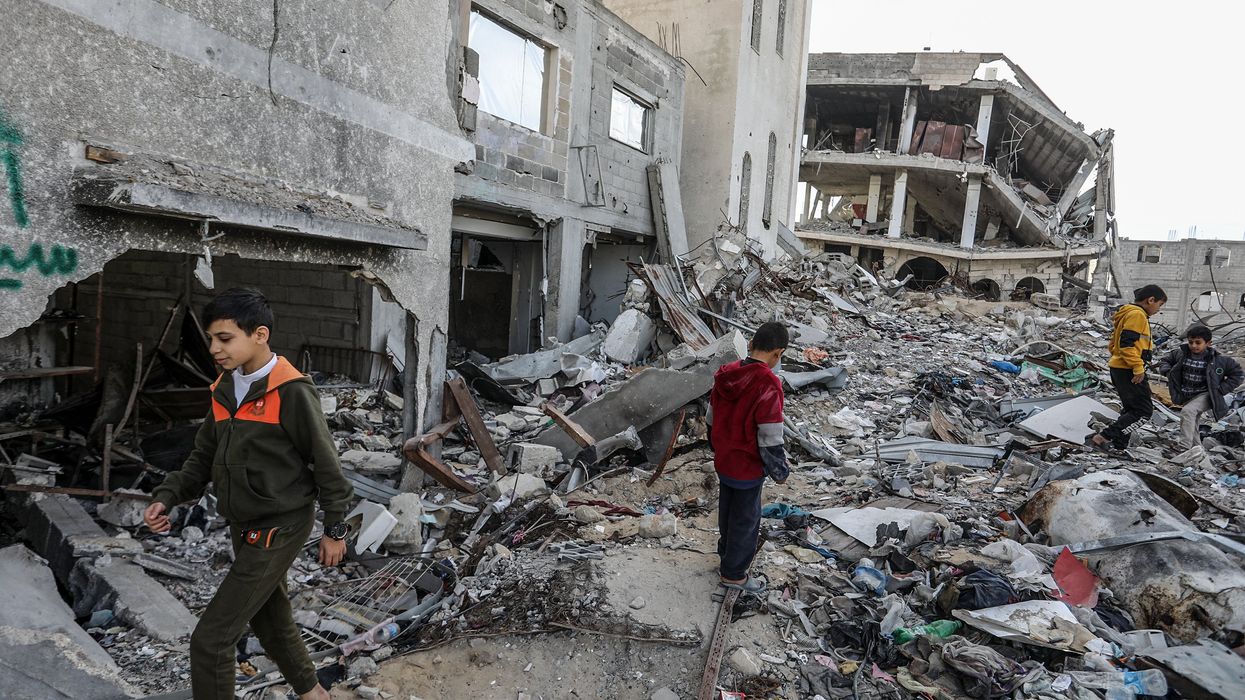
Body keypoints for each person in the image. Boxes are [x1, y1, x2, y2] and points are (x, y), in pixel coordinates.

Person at [142, 288, 354, 700]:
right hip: (244, 523)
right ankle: (315, 695)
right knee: (271, 621)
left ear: (259, 334)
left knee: (212, 640)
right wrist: (166, 497)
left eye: (224, 338)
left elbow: (326, 462)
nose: (214, 348)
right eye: (211, 339)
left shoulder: (291, 390)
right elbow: (202, 456)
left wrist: (336, 528)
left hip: (282, 523)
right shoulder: (224, 388)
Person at [708, 321, 790, 594]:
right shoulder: (768, 384)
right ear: (778, 353)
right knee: (746, 520)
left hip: (725, 460)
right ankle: (734, 575)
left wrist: (718, 448)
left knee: (728, 513)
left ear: (752, 344)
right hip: (748, 466)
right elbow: (769, 436)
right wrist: (779, 471)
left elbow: (711, 418)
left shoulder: (725, 374)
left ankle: (725, 557)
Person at [1091, 285, 1167, 450]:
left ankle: (1119, 446)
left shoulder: (1127, 313)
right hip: (1129, 370)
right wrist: (1137, 366)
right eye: (1159, 305)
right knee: (1143, 412)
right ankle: (1103, 437)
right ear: (1151, 300)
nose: (1158, 309)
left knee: (1131, 410)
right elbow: (1126, 344)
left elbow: (1113, 345)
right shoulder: (1137, 315)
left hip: (1120, 368)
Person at [1155, 324, 1244, 450]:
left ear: (1208, 343)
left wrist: (1221, 389)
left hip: (1206, 394)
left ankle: (1184, 447)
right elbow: (1165, 360)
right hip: (1188, 394)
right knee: (1193, 420)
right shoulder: (1181, 354)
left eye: (1198, 342)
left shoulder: (1220, 360)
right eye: (1191, 342)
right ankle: (1197, 449)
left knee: (1188, 411)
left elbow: (1238, 374)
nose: (1193, 346)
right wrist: (1167, 371)